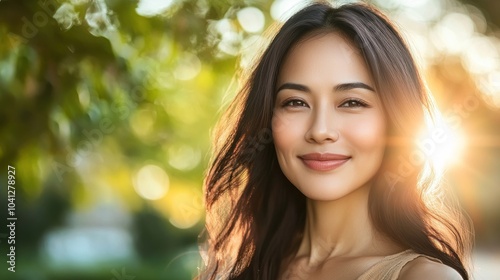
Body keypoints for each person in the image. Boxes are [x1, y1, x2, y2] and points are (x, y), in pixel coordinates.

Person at [197, 1, 473, 279]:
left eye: (351, 102)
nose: (320, 130)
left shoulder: (425, 276)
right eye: (295, 102)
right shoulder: (237, 271)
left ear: (395, 121)